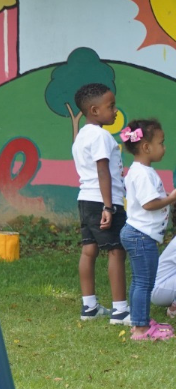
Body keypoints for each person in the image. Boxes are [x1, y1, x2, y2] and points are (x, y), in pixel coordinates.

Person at [70, 83, 129, 323]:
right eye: (110, 106)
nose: (115, 111)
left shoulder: (82, 135)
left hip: (85, 200)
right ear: (94, 110)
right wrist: (108, 206)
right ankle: (121, 310)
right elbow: (102, 171)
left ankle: (90, 307)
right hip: (103, 201)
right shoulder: (102, 136)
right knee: (116, 250)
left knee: (89, 250)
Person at [118, 119, 175, 340]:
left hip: (138, 234)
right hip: (141, 235)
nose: (164, 147)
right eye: (161, 142)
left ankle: (139, 321)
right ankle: (141, 330)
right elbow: (149, 204)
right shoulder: (142, 173)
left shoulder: (142, 171)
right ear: (146, 147)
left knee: (140, 280)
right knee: (144, 282)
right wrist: (170, 198)